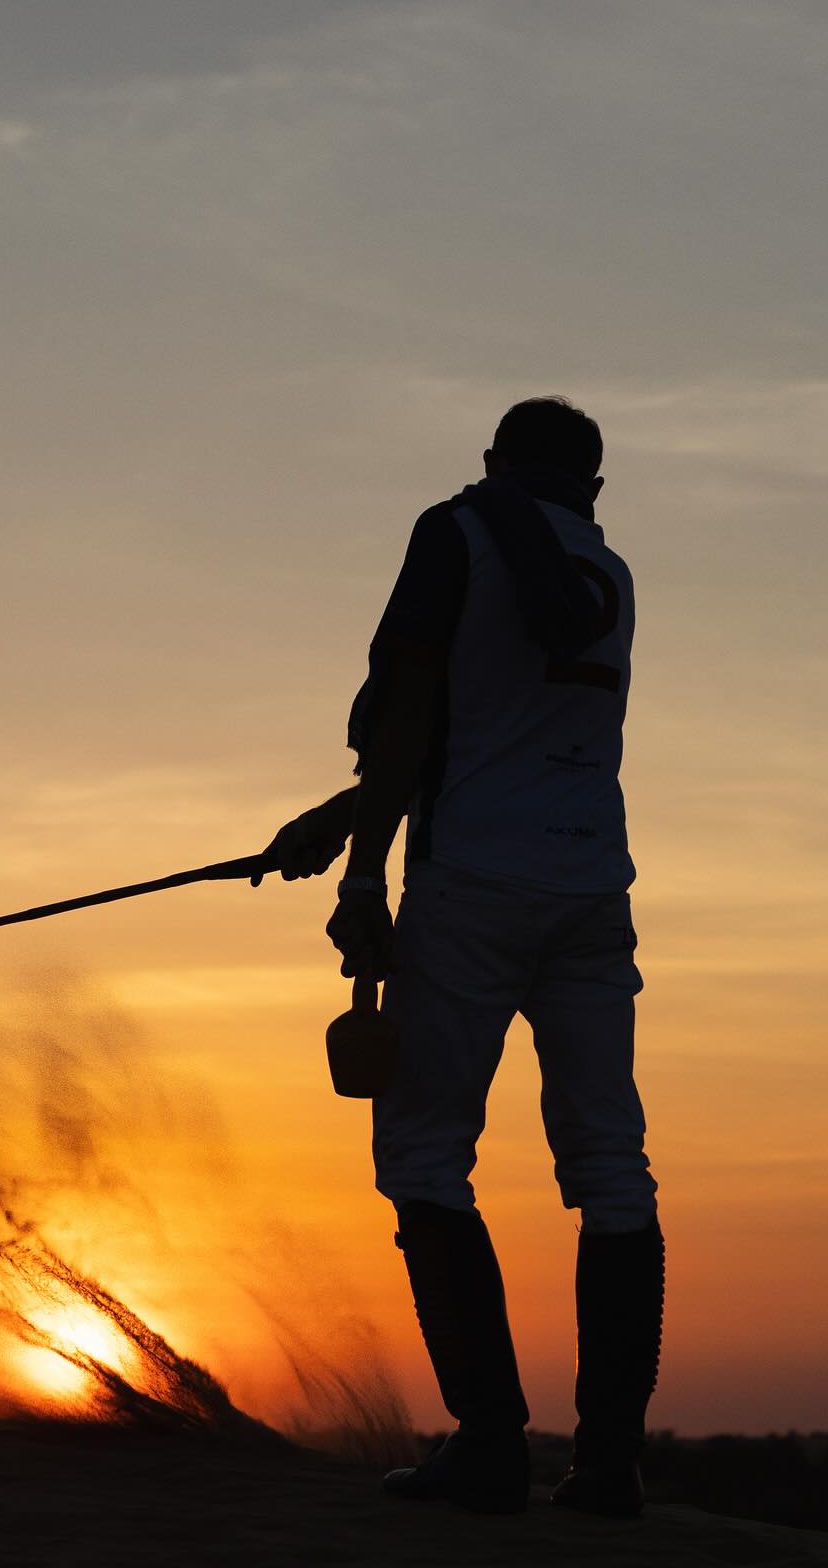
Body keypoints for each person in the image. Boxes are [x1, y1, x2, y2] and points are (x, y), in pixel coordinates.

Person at [259, 397, 663, 1518]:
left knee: (427, 1159)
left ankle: (488, 1445)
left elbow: (412, 721)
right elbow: (499, 738)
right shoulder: (609, 572)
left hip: (472, 892)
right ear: (591, 486)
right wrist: (340, 817)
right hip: (592, 888)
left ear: (492, 463)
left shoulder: (456, 533)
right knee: (610, 1165)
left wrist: (361, 874)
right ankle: (610, 1466)